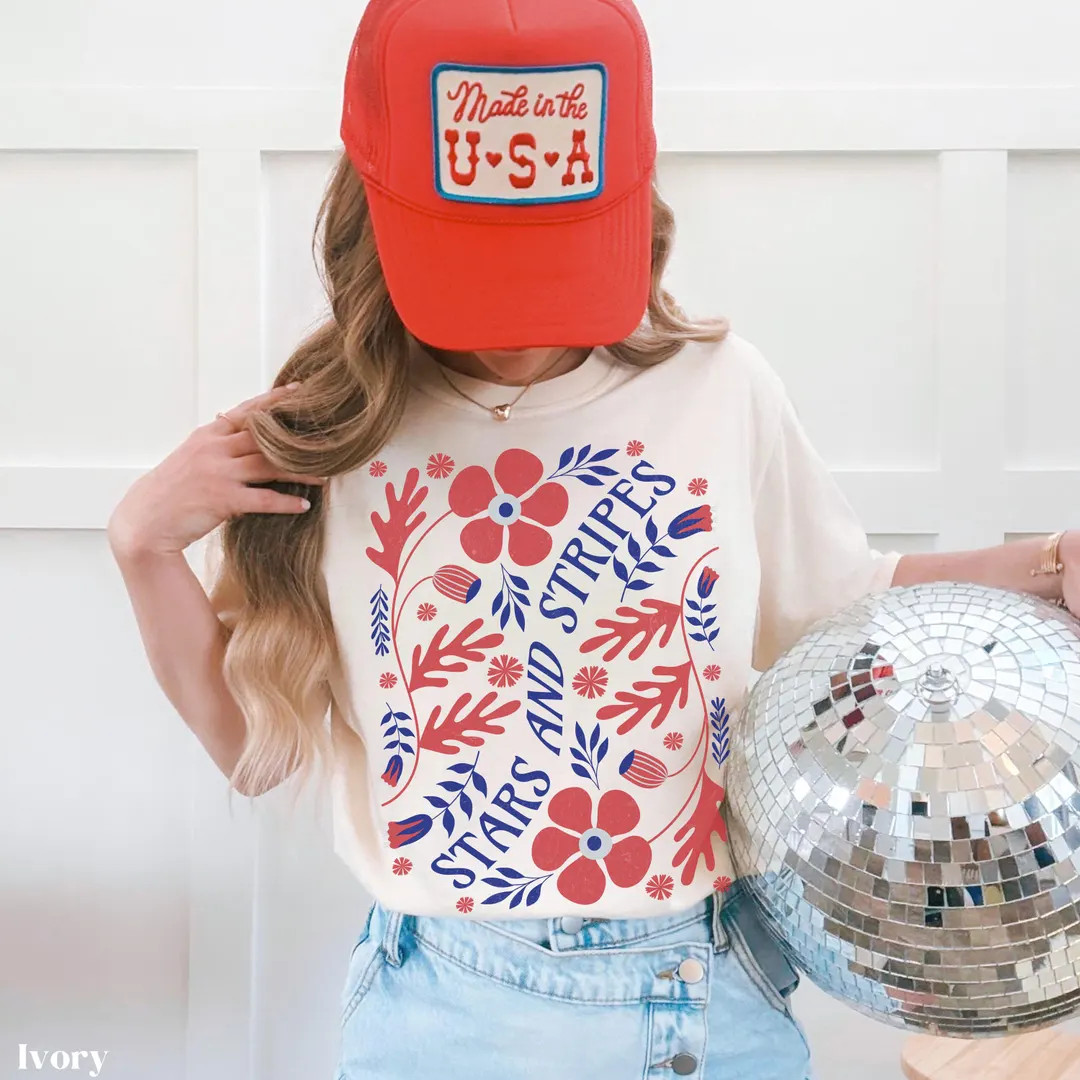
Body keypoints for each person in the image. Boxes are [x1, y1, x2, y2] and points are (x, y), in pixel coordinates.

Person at [106, 1, 1077, 1077]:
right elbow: (254, 748)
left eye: (554, 260)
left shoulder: (720, 387)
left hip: (711, 999)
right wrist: (143, 546)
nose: (524, 320)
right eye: (479, 265)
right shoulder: (328, 435)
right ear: (372, 213)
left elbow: (844, 603)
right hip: (442, 1014)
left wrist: (1049, 564)